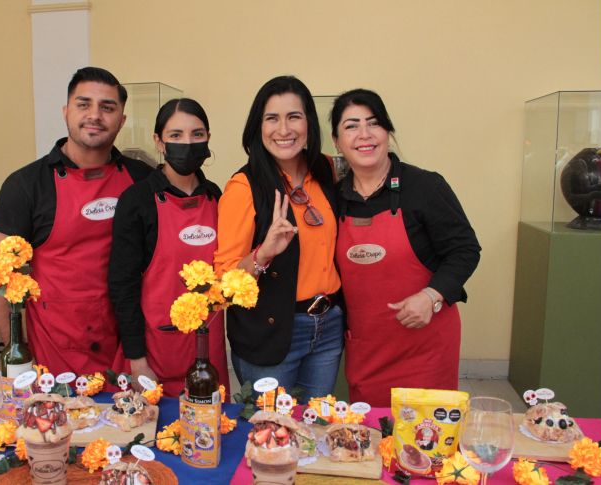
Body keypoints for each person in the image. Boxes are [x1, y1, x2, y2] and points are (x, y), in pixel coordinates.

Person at [0, 67, 153, 379]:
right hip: (53, 353)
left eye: (107, 108)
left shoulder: (142, 180)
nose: (95, 115)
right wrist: (16, 356)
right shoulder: (25, 185)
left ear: (122, 120)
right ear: (66, 112)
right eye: (83, 104)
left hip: (127, 349)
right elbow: (0, 281)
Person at [331, 88, 481, 407]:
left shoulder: (425, 187)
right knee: (371, 441)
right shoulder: (334, 199)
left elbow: (465, 249)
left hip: (424, 350)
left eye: (374, 123)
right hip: (367, 352)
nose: (364, 134)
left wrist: (431, 296)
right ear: (336, 141)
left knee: (428, 442)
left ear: (387, 131)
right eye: (351, 126)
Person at [214, 75, 343, 400]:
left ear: (309, 124)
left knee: (313, 427)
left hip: (328, 326)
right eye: (272, 118)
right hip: (271, 334)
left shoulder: (326, 171)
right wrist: (262, 254)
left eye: (294, 117)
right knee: (269, 436)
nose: (283, 129)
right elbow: (224, 282)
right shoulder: (244, 187)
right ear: (258, 127)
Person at [108, 98, 230, 397]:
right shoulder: (137, 201)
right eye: (175, 136)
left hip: (208, 344)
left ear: (208, 139)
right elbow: (122, 285)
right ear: (159, 142)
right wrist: (137, 360)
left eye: (196, 134)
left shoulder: (216, 196)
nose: (187, 143)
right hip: (154, 351)